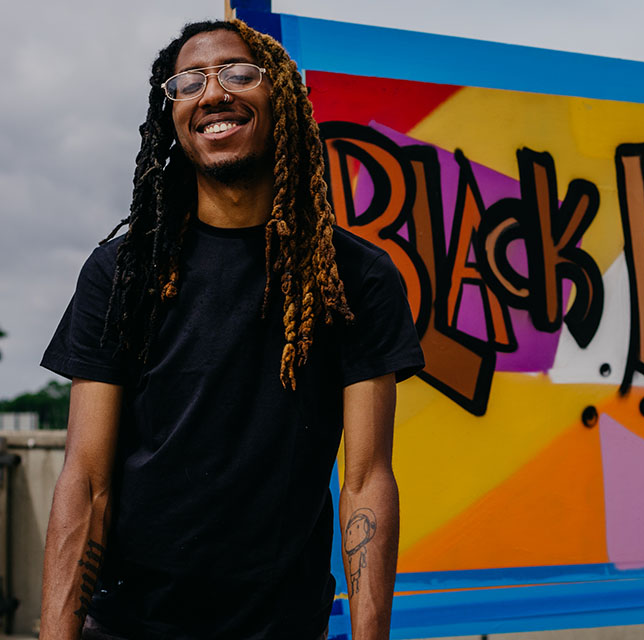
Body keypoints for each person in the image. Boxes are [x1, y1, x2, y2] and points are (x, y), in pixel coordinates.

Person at [39, 19, 423, 640]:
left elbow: (367, 478)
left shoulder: (352, 276)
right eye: (189, 82)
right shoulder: (124, 272)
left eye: (240, 74)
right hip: (129, 624)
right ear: (172, 116)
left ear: (284, 101)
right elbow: (85, 480)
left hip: (282, 625)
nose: (214, 92)